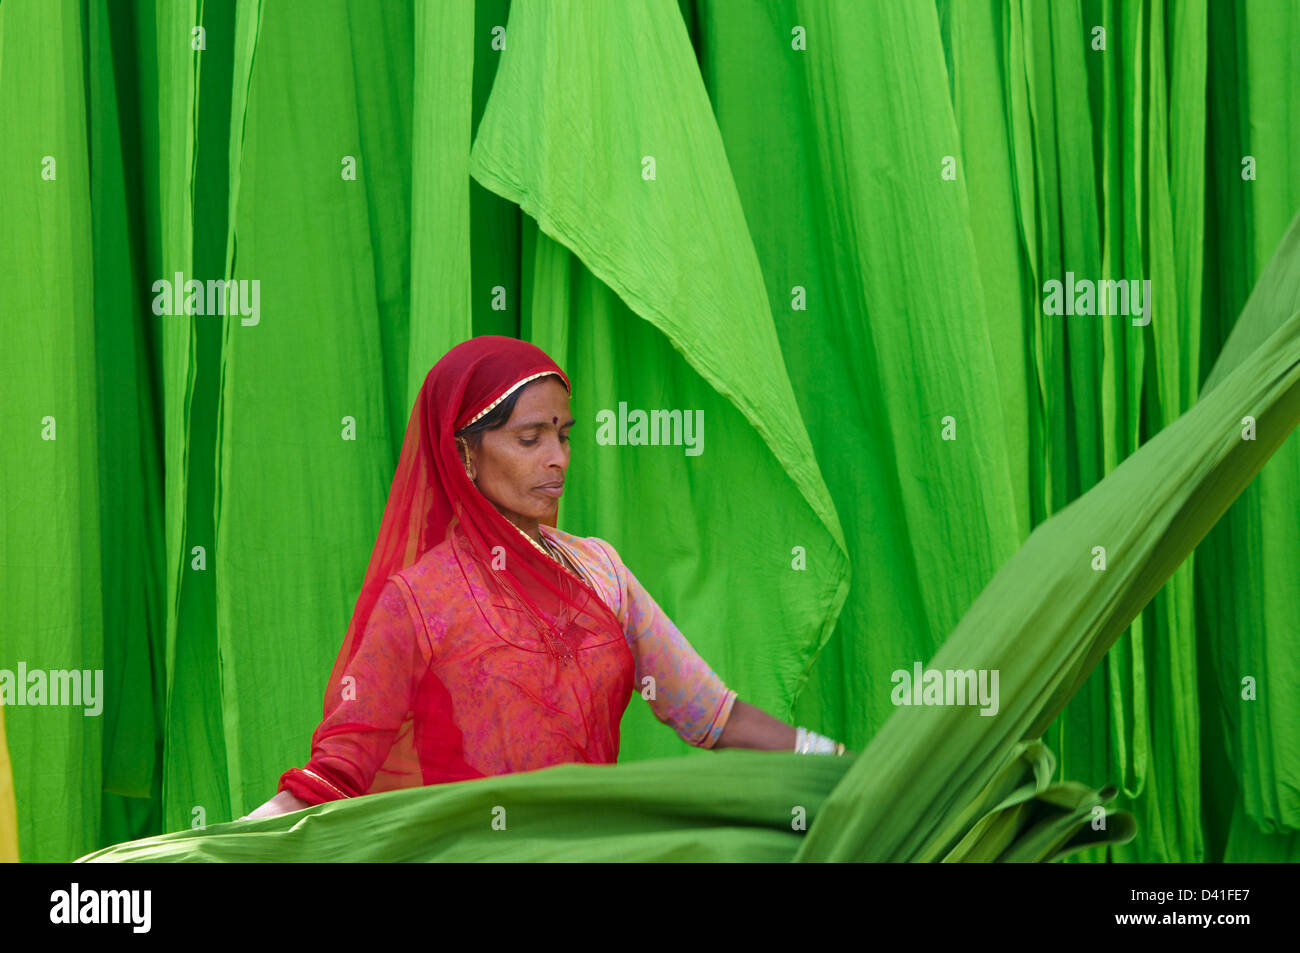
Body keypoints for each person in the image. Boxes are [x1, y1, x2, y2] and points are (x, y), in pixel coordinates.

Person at [246, 336, 845, 819]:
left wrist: (835, 761)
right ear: (465, 456)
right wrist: (227, 844)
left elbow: (711, 713)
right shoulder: (420, 600)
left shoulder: (600, 571)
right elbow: (337, 769)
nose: (556, 457)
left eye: (562, 435)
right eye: (529, 438)